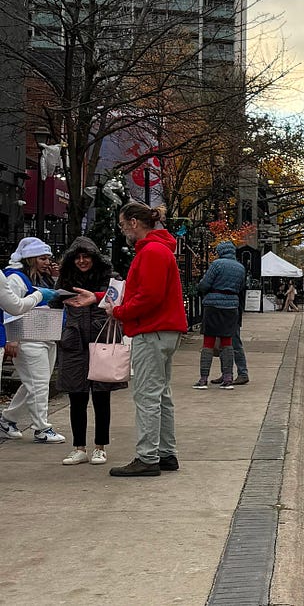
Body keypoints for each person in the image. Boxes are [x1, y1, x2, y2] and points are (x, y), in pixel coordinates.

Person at [71, 203, 189, 477]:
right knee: (160, 394)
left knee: (147, 395)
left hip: (152, 330)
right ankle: (164, 453)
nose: (123, 229)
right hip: (163, 330)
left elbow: (147, 296)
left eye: (123, 224)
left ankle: (148, 457)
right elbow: (140, 293)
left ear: (134, 222)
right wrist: (100, 298)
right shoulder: (159, 250)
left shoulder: (151, 252)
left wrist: (119, 312)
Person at [53, 237, 125, 465]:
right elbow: (54, 305)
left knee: (101, 396)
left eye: (86, 257)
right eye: (78, 257)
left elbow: (118, 302)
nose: (82, 261)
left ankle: (100, 447)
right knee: (77, 397)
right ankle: (79, 447)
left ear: (95, 258)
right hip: (74, 343)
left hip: (101, 339)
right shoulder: (66, 278)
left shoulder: (110, 278)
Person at [0, 237, 63, 443]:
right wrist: (12, 339)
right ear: (30, 259)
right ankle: (41, 428)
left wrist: (55, 278)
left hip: (45, 335)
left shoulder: (41, 278)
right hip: (27, 337)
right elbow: (10, 307)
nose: (47, 262)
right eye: (42, 258)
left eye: (48, 258)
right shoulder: (16, 278)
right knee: (39, 384)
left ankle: (7, 420)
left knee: (33, 383)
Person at [193, 241, 247, 390]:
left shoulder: (217, 264)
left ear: (220, 251)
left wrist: (201, 288)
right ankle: (228, 378)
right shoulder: (240, 267)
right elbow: (241, 287)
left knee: (208, 342)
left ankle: (203, 379)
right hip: (232, 306)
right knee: (227, 342)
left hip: (213, 305)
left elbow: (205, 284)